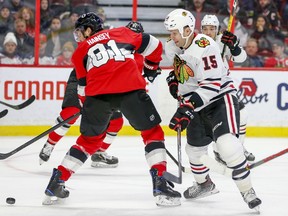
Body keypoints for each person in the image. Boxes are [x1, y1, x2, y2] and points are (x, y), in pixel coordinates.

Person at [42, 12, 181, 207]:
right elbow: (155, 44)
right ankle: (160, 183)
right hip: (130, 90)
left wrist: (86, 105)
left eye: (80, 32)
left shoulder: (79, 52)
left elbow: (82, 88)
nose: (78, 37)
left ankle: (57, 181)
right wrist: (151, 66)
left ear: (89, 30)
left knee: (89, 141)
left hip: (97, 96)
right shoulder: (121, 33)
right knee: (152, 133)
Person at [164, 9, 261, 210]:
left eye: (174, 32)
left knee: (227, 146)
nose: (171, 36)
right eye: (170, 32)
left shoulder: (205, 46)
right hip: (195, 101)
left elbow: (211, 85)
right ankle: (204, 184)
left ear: (187, 30)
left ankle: (247, 191)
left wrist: (188, 108)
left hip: (218, 99)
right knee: (194, 151)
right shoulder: (173, 45)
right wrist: (174, 80)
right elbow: (182, 71)